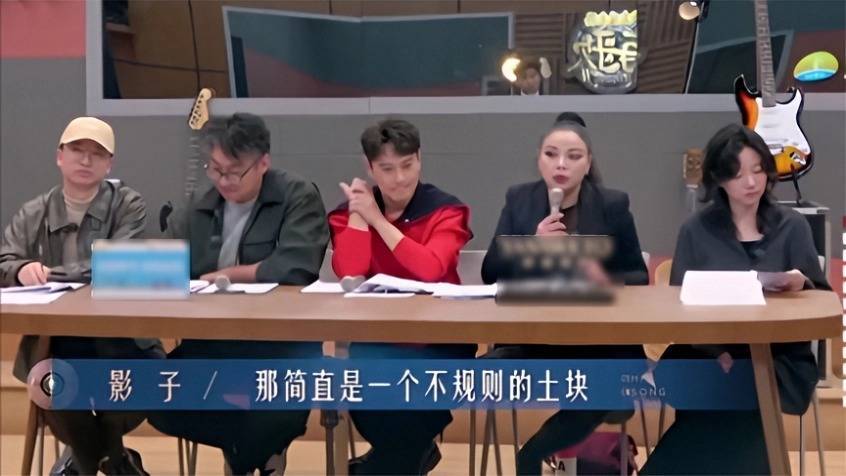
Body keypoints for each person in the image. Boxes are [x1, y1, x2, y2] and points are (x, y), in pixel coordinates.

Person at [640, 124, 830, 475]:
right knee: (724, 389)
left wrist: (801, 282)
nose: (751, 182)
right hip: (705, 352)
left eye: (758, 170)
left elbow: (824, 301)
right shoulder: (696, 230)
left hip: (777, 359)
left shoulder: (792, 227)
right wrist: (717, 351)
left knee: (739, 389)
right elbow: (678, 307)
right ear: (718, 178)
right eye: (738, 174)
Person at [148, 113, 330, 474]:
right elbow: (165, 260)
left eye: (234, 172)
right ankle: (252, 453)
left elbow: (297, 265)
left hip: (279, 347)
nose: (223, 181)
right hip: (211, 344)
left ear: (263, 163)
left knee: (276, 411)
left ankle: (249, 454)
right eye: (215, 170)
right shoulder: (201, 202)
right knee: (155, 398)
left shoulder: (296, 196)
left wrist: (229, 275)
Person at [481, 120, 649, 475]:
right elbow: (490, 271)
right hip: (533, 338)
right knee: (479, 373)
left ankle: (533, 454)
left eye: (573, 156)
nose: (561, 164)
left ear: (588, 164)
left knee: (606, 382)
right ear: (539, 159)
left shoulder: (613, 204)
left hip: (599, 342)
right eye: (551, 154)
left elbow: (638, 277)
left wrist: (602, 277)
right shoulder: (519, 199)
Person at [0, 116, 162, 475]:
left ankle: (83, 460)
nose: (86, 160)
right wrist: (20, 269)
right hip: (56, 343)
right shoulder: (33, 212)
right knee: (51, 384)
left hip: (123, 339)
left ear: (109, 164)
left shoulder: (129, 205)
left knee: (141, 381)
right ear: (60, 156)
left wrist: (52, 273)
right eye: (77, 150)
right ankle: (116, 461)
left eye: (97, 154)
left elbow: (117, 261)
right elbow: (4, 261)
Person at [328, 119, 474, 474]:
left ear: (420, 159)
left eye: (408, 165)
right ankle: (413, 454)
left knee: (406, 417)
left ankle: (383, 465)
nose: (399, 179)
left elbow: (430, 268)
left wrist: (378, 221)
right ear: (369, 168)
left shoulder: (446, 210)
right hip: (378, 340)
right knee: (368, 402)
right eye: (387, 169)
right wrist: (359, 216)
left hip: (439, 343)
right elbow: (350, 272)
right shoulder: (350, 212)